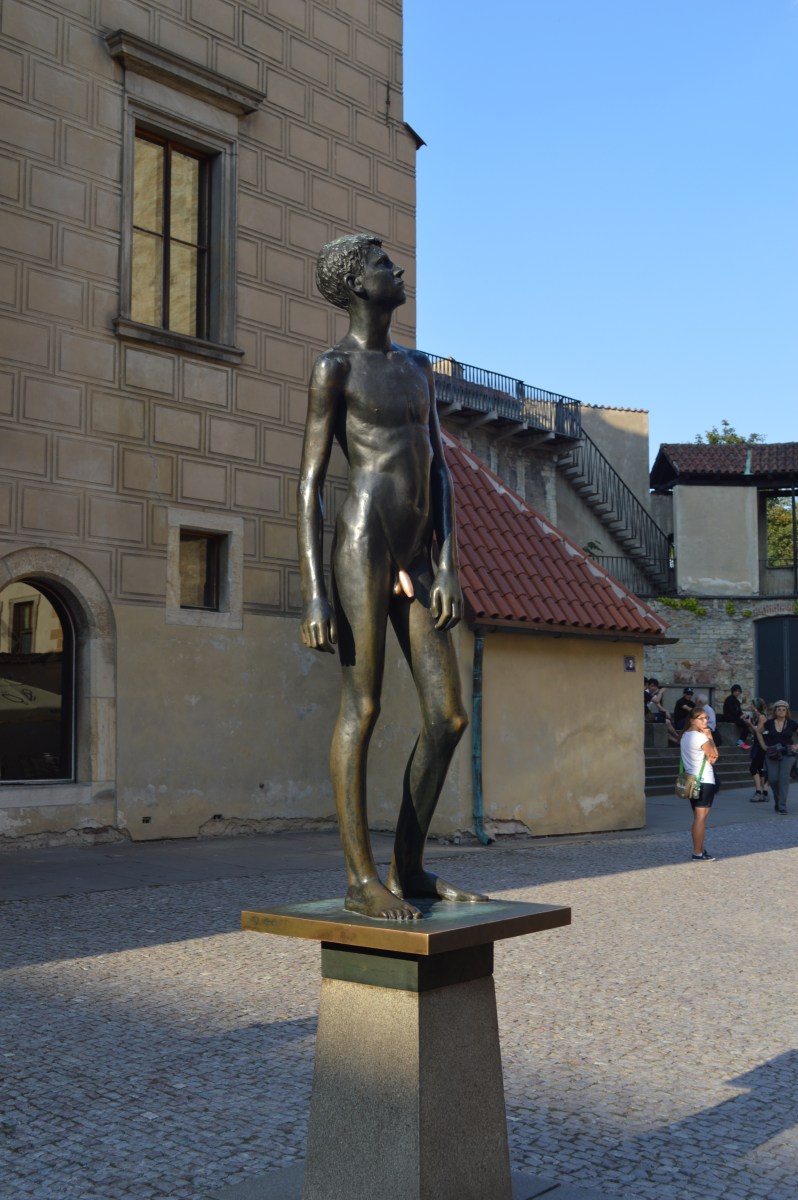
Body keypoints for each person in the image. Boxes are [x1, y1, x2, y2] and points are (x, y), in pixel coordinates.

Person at [297, 233, 486, 921]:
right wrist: (315, 591)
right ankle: (360, 879)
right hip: (363, 542)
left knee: (449, 716)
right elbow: (310, 485)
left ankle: (409, 868)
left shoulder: (417, 367)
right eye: (382, 264)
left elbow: (440, 467)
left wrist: (448, 564)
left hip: (418, 550)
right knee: (365, 706)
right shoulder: (334, 369)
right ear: (355, 283)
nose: (397, 268)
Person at [680, 707, 719, 861]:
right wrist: (710, 736)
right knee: (700, 818)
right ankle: (697, 852)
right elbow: (714, 757)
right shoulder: (701, 737)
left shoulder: (685, 735)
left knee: (698, 817)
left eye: (706, 718)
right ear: (692, 720)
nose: (705, 721)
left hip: (691, 780)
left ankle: (699, 847)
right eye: (701, 718)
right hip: (704, 780)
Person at [753, 701, 798, 814]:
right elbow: (758, 731)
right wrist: (763, 745)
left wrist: (797, 745)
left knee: (783, 779)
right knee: (773, 779)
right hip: (772, 753)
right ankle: (778, 801)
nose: (781, 711)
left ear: (787, 711)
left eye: (783, 709)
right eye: (779, 709)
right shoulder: (769, 723)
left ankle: (782, 806)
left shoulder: (792, 723)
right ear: (775, 711)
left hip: (788, 754)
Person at [746, 697, 770, 803]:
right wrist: (748, 723)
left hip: (761, 745)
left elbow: (759, 731)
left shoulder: (761, 717)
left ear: (755, 706)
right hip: (757, 744)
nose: (750, 706)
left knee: (754, 768)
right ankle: (764, 793)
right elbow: (754, 732)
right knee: (760, 769)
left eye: (752, 705)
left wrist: (750, 724)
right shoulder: (757, 716)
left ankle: (759, 792)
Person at [646, 678, 679, 744]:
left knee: (667, 720)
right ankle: (678, 738)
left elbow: (660, 707)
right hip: (647, 717)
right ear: (648, 686)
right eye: (652, 686)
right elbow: (657, 701)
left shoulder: (652, 695)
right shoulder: (646, 693)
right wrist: (660, 692)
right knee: (667, 722)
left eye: (655, 687)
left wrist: (666, 711)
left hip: (649, 715)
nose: (654, 688)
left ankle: (678, 741)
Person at [722, 684, 750, 748]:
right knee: (745, 726)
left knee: (747, 723)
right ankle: (740, 742)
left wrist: (743, 715)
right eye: (736, 691)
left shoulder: (736, 701)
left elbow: (739, 711)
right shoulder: (729, 699)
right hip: (729, 717)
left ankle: (743, 741)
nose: (737, 693)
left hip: (735, 717)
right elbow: (731, 711)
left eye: (739, 691)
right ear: (733, 691)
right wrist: (740, 716)